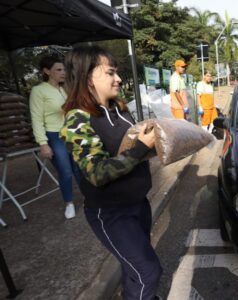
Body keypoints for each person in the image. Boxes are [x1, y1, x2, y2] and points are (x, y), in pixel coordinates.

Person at [59, 46, 162, 299]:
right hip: (112, 214)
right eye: (110, 73)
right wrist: (140, 149)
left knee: (134, 268)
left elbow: (132, 151)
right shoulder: (77, 120)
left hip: (139, 205)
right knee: (148, 272)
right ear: (87, 78)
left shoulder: (120, 110)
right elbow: (97, 173)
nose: (118, 79)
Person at [29, 55, 80, 219]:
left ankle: (91, 197)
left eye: (64, 69)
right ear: (46, 71)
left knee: (79, 168)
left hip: (71, 133)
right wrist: (43, 144)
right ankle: (69, 203)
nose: (63, 72)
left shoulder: (65, 89)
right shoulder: (39, 91)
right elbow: (36, 118)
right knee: (65, 171)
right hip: (54, 135)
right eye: (58, 69)